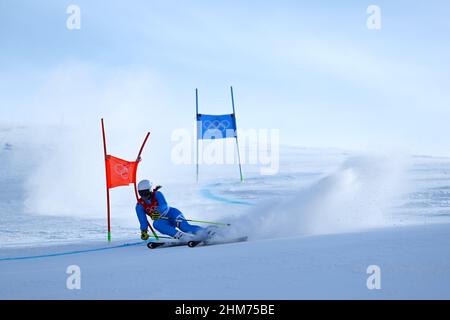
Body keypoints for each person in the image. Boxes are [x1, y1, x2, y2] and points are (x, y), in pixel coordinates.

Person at [135, 179, 207, 241]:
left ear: (150, 190)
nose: (144, 196)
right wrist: (144, 231)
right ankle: (182, 237)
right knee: (156, 224)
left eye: (145, 193)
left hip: (172, 214)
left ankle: (206, 232)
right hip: (162, 220)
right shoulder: (139, 206)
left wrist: (156, 213)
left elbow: (164, 205)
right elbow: (143, 220)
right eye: (141, 193)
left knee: (185, 227)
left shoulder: (157, 194)